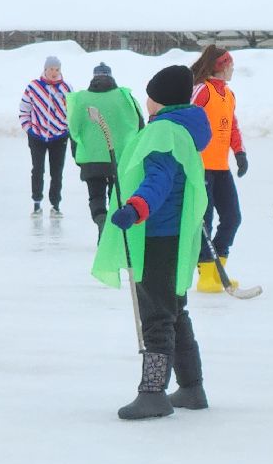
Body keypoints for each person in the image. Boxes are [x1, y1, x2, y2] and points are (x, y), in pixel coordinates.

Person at [91, 65, 211, 421]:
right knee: (174, 311)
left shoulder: (163, 133)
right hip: (175, 237)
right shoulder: (183, 129)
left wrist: (135, 208)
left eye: (150, 95)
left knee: (156, 315)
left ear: (159, 100)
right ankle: (192, 386)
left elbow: (158, 180)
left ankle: (153, 392)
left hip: (157, 235)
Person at [189, 45, 249, 292]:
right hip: (200, 166)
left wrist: (240, 152)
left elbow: (231, 126)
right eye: (229, 63)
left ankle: (218, 270)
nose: (233, 67)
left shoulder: (229, 94)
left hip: (221, 167)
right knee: (205, 220)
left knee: (233, 217)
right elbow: (187, 118)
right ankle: (205, 274)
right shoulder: (202, 90)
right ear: (220, 67)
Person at [65, 62, 144, 236]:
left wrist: (77, 156)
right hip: (119, 157)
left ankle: (101, 219)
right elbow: (139, 125)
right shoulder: (124, 96)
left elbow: (73, 130)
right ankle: (114, 233)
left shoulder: (81, 99)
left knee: (96, 196)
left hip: (91, 158)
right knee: (116, 195)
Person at [18, 56, 72, 216]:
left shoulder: (66, 88)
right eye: (51, 69)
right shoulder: (34, 87)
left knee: (57, 172)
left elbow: (73, 111)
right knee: (38, 169)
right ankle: (36, 203)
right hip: (37, 137)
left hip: (59, 137)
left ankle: (55, 205)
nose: (54, 73)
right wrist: (29, 128)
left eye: (57, 70)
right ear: (45, 69)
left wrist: (66, 127)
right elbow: (24, 108)